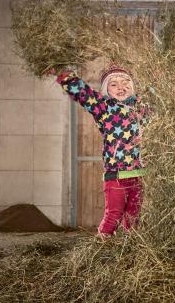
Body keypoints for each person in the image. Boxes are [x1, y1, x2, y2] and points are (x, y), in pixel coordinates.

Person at [55, 64, 150, 238]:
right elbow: (84, 93)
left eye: (126, 82)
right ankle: (100, 249)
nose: (121, 87)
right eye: (114, 84)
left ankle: (130, 252)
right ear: (106, 90)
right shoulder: (104, 107)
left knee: (133, 219)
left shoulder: (141, 108)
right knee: (113, 216)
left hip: (140, 174)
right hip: (116, 175)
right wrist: (64, 75)